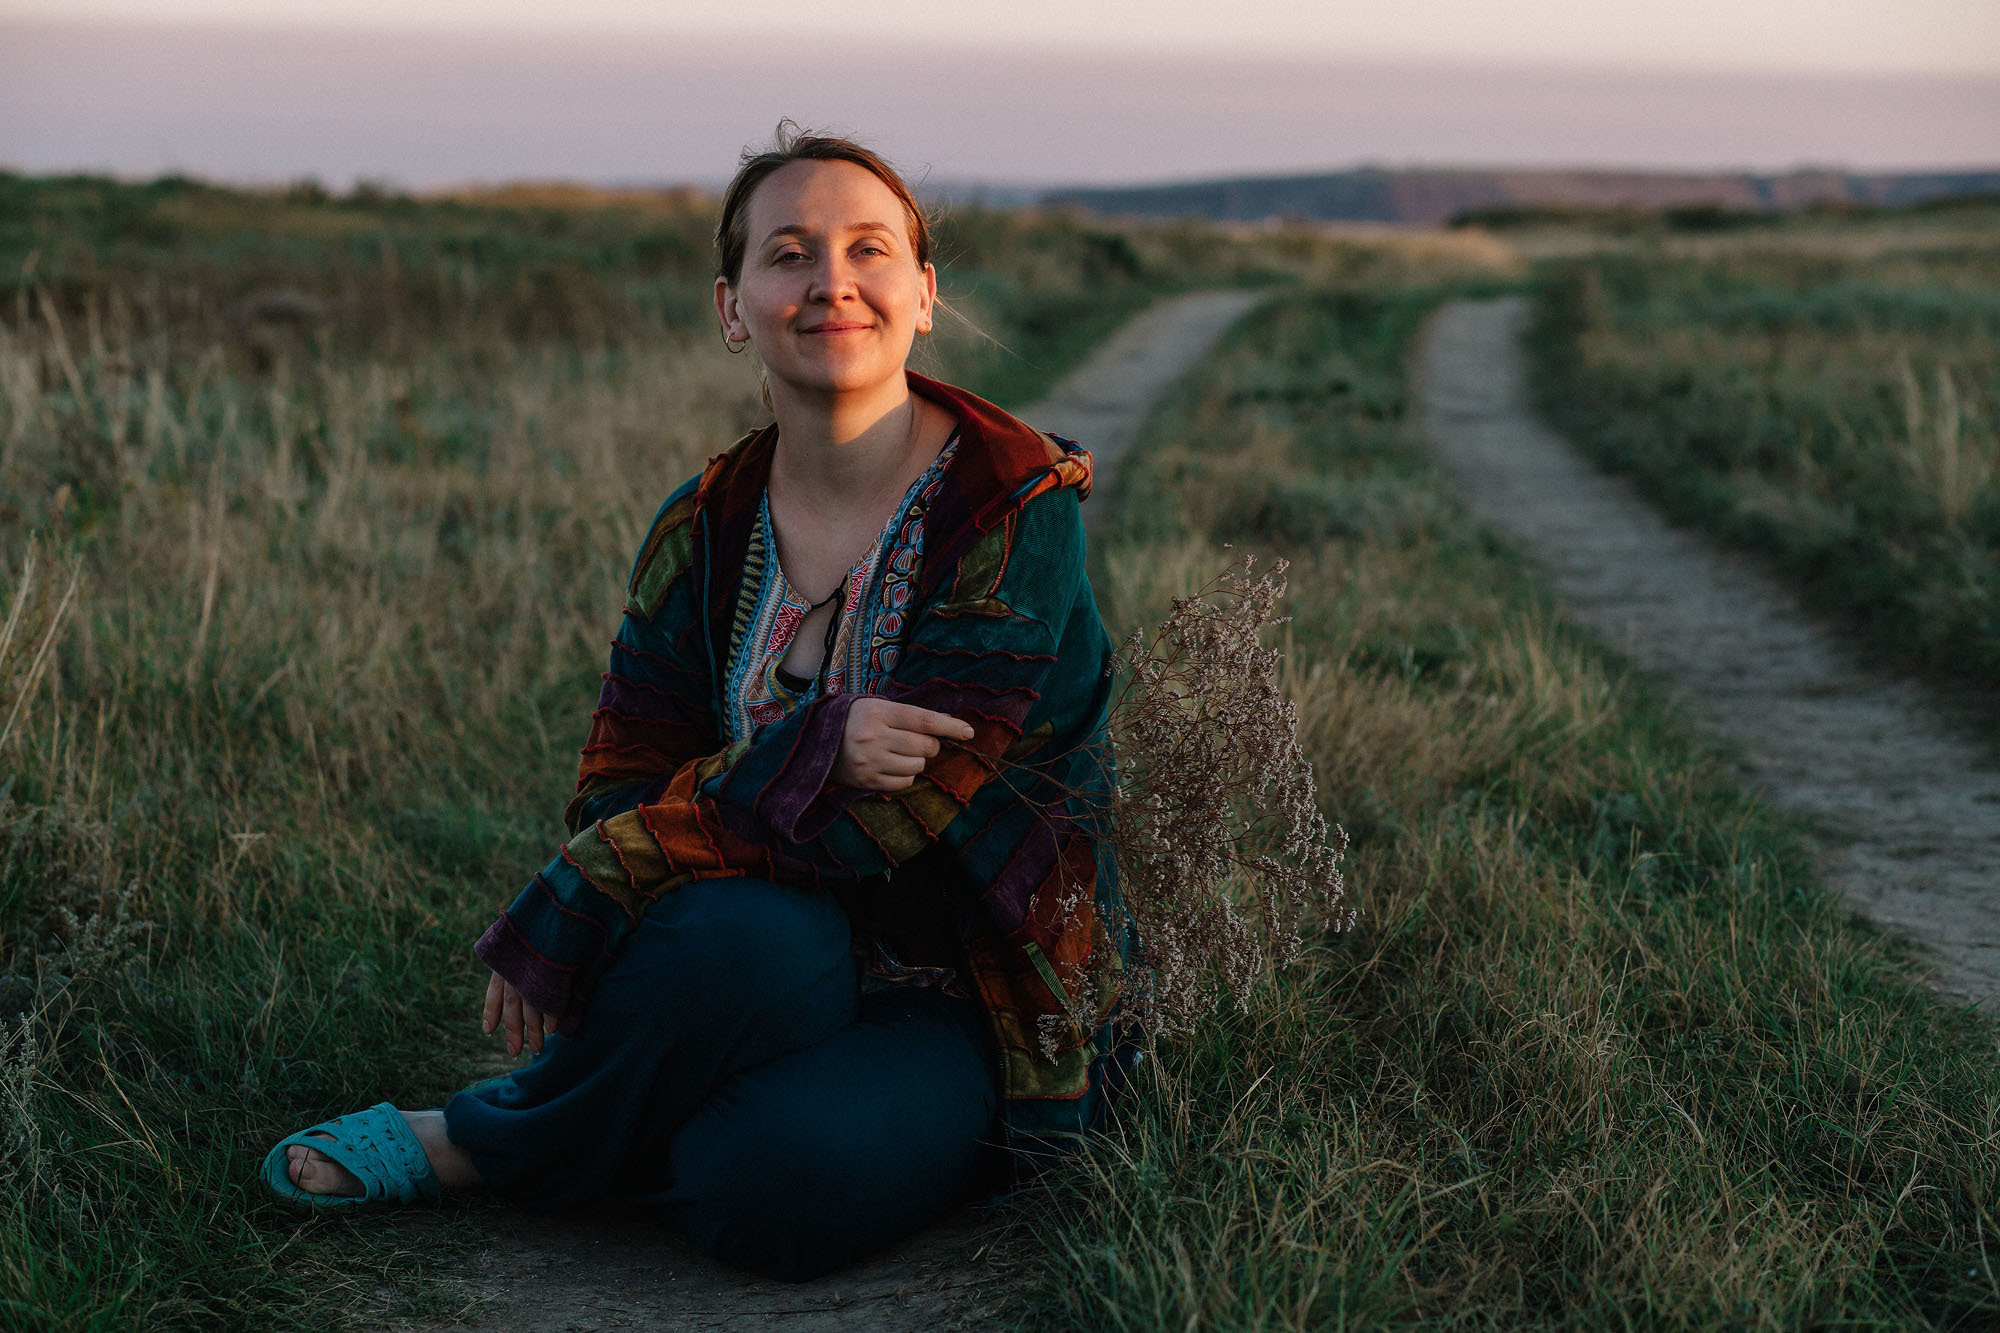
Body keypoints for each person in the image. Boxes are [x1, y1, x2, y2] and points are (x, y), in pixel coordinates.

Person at [261, 125, 1135, 1282]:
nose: (831, 282)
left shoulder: (1009, 504)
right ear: (734, 309)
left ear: (922, 296)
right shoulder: (705, 523)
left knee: (766, 1192)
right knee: (730, 945)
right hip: (780, 947)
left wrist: (632, 850)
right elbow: (622, 783)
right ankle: (516, 1134)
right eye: (789, 254)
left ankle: (518, 1133)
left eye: (869, 250)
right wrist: (803, 758)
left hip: (971, 978)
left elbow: (914, 807)